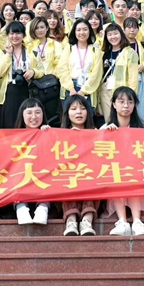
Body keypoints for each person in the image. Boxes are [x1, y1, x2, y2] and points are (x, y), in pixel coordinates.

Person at [100, 87, 144, 236]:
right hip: (114, 172)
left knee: (133, 177)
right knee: (116, 176)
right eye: (121, 102)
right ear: (114, 104)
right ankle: (122, 221)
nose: (126, 105)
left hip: (136, 172)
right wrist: (105, 135)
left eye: (130, 102)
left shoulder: (141, 129)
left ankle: (137, 221)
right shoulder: (105, 128)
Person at [59, 95, 99, 236]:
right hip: (68, 176)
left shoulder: (97, 133)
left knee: (92, 179)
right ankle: (71, 220)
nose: (78, 112)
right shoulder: (59, 134)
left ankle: (87, 220)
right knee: (69, 179)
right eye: (74, 109)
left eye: (82, 108)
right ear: (67, 113)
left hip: (90, 175)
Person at [0, 22, 44, 129]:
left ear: (23, 35)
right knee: (9, 124)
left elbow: (42, 71)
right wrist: (8, 55)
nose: (14, 36)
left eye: (18, 33)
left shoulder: (32, 53)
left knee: (26, 122)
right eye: (11, 34)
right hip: (9, 92)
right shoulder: (3, 52)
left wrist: (33, 72)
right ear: (7, 35)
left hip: (27, 90)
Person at [13, 98, 51, 225]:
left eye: (37, 112)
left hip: (42, 174)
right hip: (22, 174)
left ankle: (43, 207)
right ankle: (21, 208)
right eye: (29, 113)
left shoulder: (48, 132)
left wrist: (49, 134)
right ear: (22, 115)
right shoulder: (13, 136)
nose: (34, 117)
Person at [98, 24, 139, 125]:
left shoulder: (130, 52)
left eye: (115, 33)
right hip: (106, 92)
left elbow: (133, 77)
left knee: (123, 121)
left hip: (122, 93)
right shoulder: (104, 53)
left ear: (121, 34)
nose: (113, 37)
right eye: (109, 34)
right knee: (109, 121)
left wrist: (131, 96)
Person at [28, 16, 65, 127]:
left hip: (51, 85)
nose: (39, 30)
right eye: (36, 28)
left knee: (52, 117)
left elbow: (60, 63)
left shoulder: (55, 44)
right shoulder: (29, 45)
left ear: (47, 28)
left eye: (42, 27)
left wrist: (51, 76)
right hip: (34, 85)